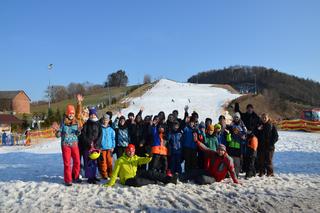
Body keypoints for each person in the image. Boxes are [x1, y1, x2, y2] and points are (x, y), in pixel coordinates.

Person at [105, 144, 177, 187]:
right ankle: (153, 181)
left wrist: (149, 156)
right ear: (126, 151)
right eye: (129, 151)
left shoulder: (135, 158)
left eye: (132, 151)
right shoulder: (120, 160)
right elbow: (115, 173)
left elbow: (144, 160)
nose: (131, 153)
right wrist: (110, 184)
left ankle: (169, 179)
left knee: (150, 173)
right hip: (126, 179)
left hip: (136, 174)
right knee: (137, 182)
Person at [53, 104, 81, 186]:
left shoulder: (76, 122)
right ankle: (68, 180)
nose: (71, 115)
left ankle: (75, 176)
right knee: (67, 163)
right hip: (65, 145)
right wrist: (57, 131)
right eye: (70, 113)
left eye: (72, 113)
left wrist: (78, 131)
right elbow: (58, 135)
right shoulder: (63, 123)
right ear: (67, 113)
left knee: (77, 162)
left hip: (74, 144)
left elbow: (78, 133)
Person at [81, 107, 102, 184]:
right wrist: (89, 142)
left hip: (96, 147)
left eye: (94, 114)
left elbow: (100, 135)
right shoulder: (86, 124)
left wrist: (97, 144)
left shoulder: (98, 124)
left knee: (95, 162)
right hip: (87, 147)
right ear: (89, 115)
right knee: (89, 163)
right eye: (91, 115)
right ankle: (90, 177)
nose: (93, 116)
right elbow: (83, 135)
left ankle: (94, 176)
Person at [226, 112, 247, 177]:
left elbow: (245, 133)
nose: (236, 118)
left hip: (239, 145)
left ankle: (236, 174)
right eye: (235, 117)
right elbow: (228, 130)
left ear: (239, 118)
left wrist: (241, 134)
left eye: (237, 117)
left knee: (237, 162)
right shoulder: (231, 124)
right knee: (231, 161)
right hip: (231, 145)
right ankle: (230, 173)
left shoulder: (242, 125)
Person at [98, 114, 115, 179]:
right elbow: (98, 138)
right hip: (102, 148)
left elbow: (113, 138)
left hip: (110, 148)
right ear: (102, 120)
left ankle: (110, 173)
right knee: (103, 162)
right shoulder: (100, 129)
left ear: (109, 120)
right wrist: (99, 147)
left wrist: (113, 146)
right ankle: (104, 174)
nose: (105, 121)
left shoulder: (111, 129)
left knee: (110, 161)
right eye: (104, 119)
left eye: (107, 120)